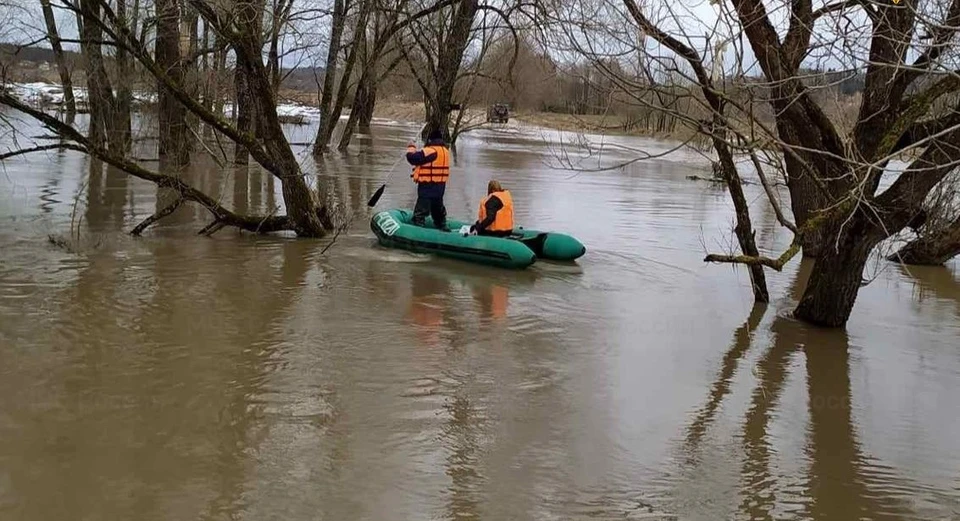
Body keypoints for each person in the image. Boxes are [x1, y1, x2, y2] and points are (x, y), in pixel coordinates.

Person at [406, 129, 450, 230]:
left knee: (421, 211)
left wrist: (411, 147)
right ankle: (442, 225)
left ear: (430, 140)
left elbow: (412, 158)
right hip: (440, 188)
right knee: (438, 209)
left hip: (427, 186)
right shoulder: (445, 151)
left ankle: (418, 228)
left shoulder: (431, 151)